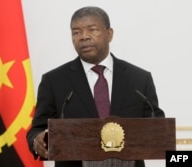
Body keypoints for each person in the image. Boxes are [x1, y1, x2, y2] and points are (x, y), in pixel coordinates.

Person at [27, 6, 165, 167]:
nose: (84, 37)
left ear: (109, 34)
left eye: (92, 30)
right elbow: (37, 129)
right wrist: (37, 140)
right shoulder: (54, 80)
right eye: (76, 32)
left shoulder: (139, 78)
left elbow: (156, 125)